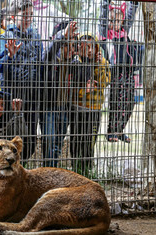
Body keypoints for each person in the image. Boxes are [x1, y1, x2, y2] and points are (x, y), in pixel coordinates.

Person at [0, 0, 43, 159]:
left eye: (31, 15)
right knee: (12, 135)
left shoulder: (36, 36)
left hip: (32, 94)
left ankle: (22, 169)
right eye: (25, 15)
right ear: (14, 17)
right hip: (11, 93)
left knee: (29, 137)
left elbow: (40, 64)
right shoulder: (6, 36)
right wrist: (10, 56)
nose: (28, 18)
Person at [69, 33, 111, 175]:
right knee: (75, 141)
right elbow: (73, 84)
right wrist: (84, 91)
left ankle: (87, 170)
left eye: (91, 47)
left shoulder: (102, 62)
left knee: (89, 142)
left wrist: (99, 64)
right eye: (85, 47)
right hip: (77, 108)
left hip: (94, 109)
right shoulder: (76, 62)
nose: (89, 50)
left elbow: (104, 82)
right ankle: (75, 170)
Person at [99, 0, 139, 143]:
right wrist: (105, 4)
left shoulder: (124, 31)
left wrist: (134, 4)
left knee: (130, 102)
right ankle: (111, 132)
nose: (114, 23)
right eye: (112, 20)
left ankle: (119, 130)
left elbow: (130, 15)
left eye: (118, 20)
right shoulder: (106, 34)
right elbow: (103, 17)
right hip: (116, 70)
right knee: (116, 101)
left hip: (127, 70)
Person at [40, 21, 78, 167]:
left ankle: (52, 170)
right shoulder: (51, 60)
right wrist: (63, 36)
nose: (70, 49)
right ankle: (48, 171)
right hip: (49, 107)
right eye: (66, 45)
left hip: (65, 108)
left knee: (57, 144)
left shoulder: (75, 63)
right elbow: (48, 53)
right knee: (49, 141)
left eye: (72, 46)